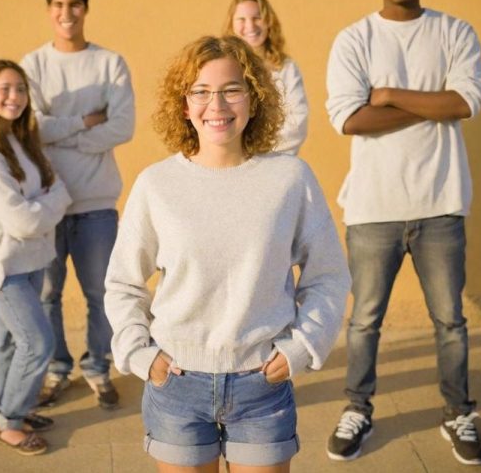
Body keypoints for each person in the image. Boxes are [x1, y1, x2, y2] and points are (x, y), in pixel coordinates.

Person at [105, 35, 351, 472]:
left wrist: (302, 348)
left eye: (231, 89)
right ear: (184, 105)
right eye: (200, 91)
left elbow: (328, 275)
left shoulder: (289, 179)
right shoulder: (156, 185)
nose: (215, 105)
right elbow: (124, 281)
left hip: (262, 387)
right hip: (176, 386)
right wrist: (140, 355)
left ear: (253, 100)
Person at [325, 0, 481, 466]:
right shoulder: (355, 40)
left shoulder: (454, 31)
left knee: (450, 322)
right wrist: (431, 103)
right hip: (373, 208)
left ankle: (458, 413)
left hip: (440, 203)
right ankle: (357, 410)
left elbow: (465, 102)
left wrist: (391, 94)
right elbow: (349, 118)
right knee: (365, 321)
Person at [21, 0, 135, 409]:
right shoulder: (32, 65)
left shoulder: (110, 64)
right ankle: (57, 368)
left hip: (96, 205)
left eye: (74, 5)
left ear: (86, 9)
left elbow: (122, 126)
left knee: (101, 294)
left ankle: (98, 366)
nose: (66, 13)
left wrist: (59, 134)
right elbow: (31, 126)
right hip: (45, 205)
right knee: (47, 294)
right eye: (58, 5)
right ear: (49, 10)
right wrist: (86, 123)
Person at [0, 59, 71, 456]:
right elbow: (21, 220)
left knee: (7, 343)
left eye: (20, 89)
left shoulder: (23, 143)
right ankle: (10, 421)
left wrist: (42, 204)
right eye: (4, 88)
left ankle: (0, 410)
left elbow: (61, 190)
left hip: (32, 262)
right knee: (37, 342)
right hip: (3, 266)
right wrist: (44, 206)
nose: (14, 97)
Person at [224, 0, 309, 155]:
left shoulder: (287, 68)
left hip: (277, 161)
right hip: (231, 161)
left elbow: (298, 121)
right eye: (242, 19)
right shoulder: (222, 67)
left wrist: (261, 155)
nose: (250, 25)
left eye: (257, 17)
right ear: (231, 25)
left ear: (269, 22)